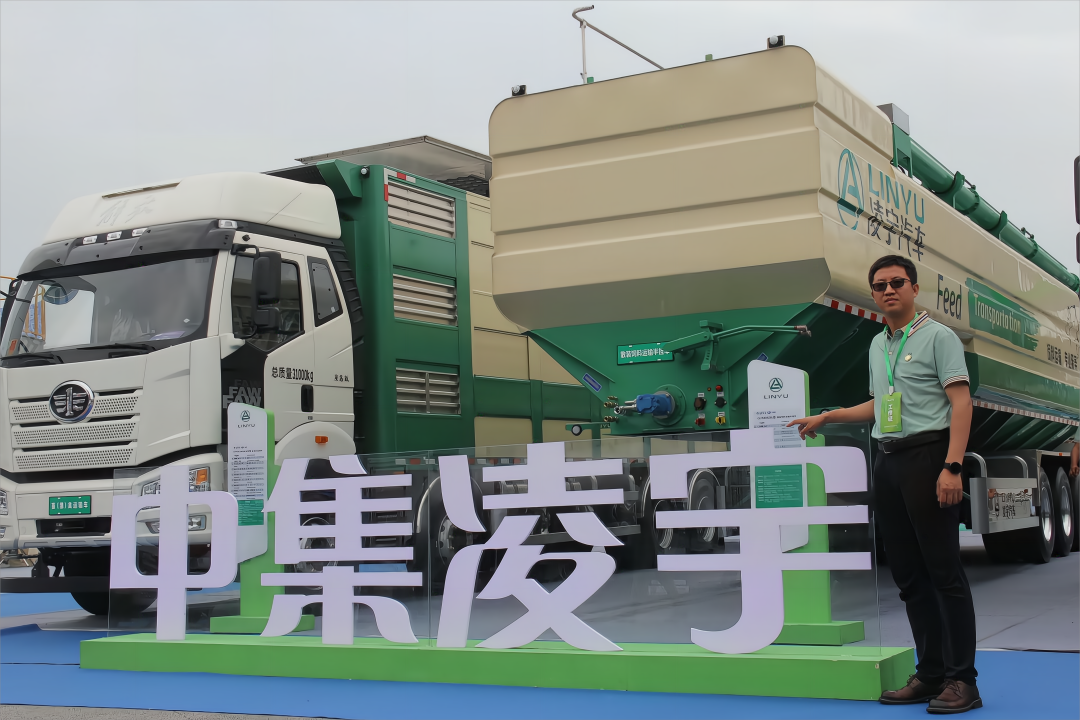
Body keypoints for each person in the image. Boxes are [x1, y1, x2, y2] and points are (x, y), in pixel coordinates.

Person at [788, 255, 981, 714]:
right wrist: (828, 416)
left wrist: (953, 467)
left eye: (897, 282)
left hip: (929, 457)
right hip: (889, 460)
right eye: (880, 285)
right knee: (909, 576)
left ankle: (962, 680)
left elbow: (961, 403)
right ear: (873, 294)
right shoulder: (879, 344)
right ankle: (930, 673)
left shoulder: (939, 337)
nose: (888, 290)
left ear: (914, 288)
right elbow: (880, 405)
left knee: (944, 573)